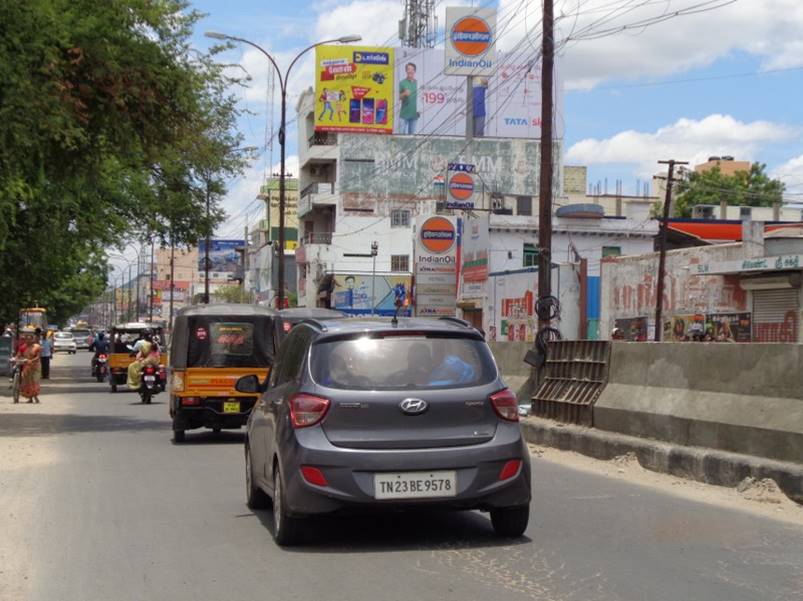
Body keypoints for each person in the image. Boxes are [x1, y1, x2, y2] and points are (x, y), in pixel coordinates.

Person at [18, 329, 42, 403]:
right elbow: (19, 355)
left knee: (34, 381)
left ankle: (35, 397)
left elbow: (38, 357)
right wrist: (15, 359)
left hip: (35, 366)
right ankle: (30, 398)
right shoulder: (23, 347)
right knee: (27, 382)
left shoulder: (37, 347)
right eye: (27, 339)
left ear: (32, 340)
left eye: (30, 339)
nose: (28, 341)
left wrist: (31, 360)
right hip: (27, 366)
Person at [399, 62, 418, 135]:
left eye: (412, 69)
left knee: (411, 138)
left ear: (414, 71)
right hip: (404, 115)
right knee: (401, 136)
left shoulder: (418, 83)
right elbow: (398, 97)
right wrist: (404, 94)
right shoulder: (402, 83)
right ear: (406, 71)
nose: (410, 71)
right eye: (408, 69)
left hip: (414, 115)